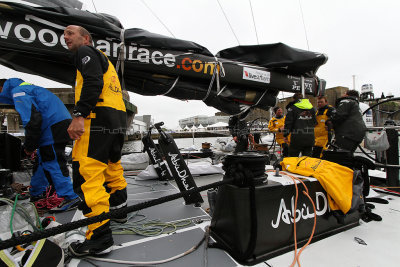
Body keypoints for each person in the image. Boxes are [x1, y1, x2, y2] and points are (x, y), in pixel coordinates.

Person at [64, 25, 128, 257]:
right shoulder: (107, 61)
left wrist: (79, 114)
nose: (66, 37)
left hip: (97, 115)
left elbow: (92, 82)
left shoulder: (85, 52)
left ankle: (99, 237)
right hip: (117, 116)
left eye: (70, 33)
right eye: (65, 34)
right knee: (112, 165)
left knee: (86, 172)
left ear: (86, 38)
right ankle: (119, 210)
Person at [0, 78, 80, 210]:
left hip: (53, 126)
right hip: (56, 123)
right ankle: (37, 193)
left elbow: (32, 120)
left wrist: (29, 147)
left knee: (52, 160)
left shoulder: (18, 91)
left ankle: (70, 197)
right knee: (43, 160)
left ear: (1, 88)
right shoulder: (28, 88)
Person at [283, 92, 317, 157]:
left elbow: (288, 123)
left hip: (297, 138)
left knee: (293, 159)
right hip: (310, 138)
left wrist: (285, 135)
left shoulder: (292, 108)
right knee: (307, 160)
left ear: (294, 100)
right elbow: (315, 123)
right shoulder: (312, 108)